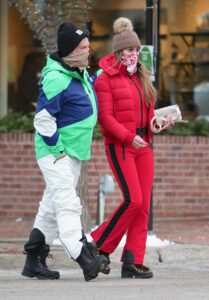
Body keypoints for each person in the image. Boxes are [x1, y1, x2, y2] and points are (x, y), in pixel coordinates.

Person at [21, 22, 108, 282]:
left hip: (72, 153)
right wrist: (58, 150)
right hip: (56, 152)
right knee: (68, 202)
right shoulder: (57, 77)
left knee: (50, 206)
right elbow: (43, 120)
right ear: (70, 50)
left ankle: (34, 260)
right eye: (83, 47)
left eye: (89, 46)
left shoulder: (78, 73)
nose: (88, 51)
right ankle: (83, 256)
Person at [90, 17, 156, 279]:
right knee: (133, 200)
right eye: (130, 50)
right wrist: (129, 138)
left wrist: (157, 123)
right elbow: (105, 120)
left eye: (137, 50)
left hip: (144, 145)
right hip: (122, 146)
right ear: (119, 52)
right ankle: (99, 246)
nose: (134, 54)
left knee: (143, 206)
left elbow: (148, 112)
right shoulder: (104, 79)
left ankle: (132, 260)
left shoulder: (142, 76)